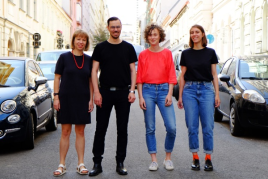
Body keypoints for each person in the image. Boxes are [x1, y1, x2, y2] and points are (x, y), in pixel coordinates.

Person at [88, 17, 137, 177]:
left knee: (122, 129)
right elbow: (94, 71)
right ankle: (97, 163)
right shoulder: (100, 48)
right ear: (108, 28)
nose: (116, 30)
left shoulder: (128, 48)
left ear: (121, 28)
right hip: (105, 93)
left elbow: (132, 71)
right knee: (100, 128)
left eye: (118, 27)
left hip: (124, 93)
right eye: (113, 27)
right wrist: (96, 92)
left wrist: (132, 90)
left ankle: (120, 163)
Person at [177, 24, 220, 171]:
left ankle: (208, 158)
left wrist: (217, 94)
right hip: (189, 90)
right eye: (192, 32)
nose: (194, 34)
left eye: (197, 32)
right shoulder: (186, 54)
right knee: (192, 126)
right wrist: (180, 96)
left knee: (208, 126)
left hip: (207, 89)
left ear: (203, 34)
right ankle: (195, 157)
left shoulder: (210, 53)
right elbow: (182, 76)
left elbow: (214, 75)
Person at [53, 29, 93, 177]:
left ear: (86, 43)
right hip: (65, 99)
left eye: (83, 40)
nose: (81, 42)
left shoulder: (89, 60)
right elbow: (57, 78)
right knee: (65, 132)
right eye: (78, 39)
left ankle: (80, 164)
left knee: (80, 132)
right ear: (74, 41)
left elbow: (90, 81)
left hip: (82, 99)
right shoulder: (64, 58)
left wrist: (91, 99)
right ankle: (61, 164)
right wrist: (56, 97)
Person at [136, 23, 177, 171]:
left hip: (164, 89)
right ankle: (153, 159)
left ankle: (168, 158)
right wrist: (140, 97)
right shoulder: (143, 55)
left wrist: (169, 93)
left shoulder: (167, 53)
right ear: (147, 37)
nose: (153, 37)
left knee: (171, 127)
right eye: (150, 35)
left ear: (160, 36)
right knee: (150, 128)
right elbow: (139, 78)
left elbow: (172, 75)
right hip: (147, 91)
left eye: (155, 34)